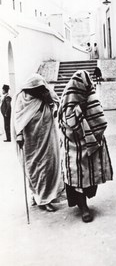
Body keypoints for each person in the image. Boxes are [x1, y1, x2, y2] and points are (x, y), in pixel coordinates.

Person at [58, 70, 113, 222]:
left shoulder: (90, 97)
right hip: (74, 146)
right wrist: (77, 122)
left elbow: (99, 120)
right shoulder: (67, 100)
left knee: (90, 176)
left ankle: (84, 202)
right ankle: (83, 207)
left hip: (90, 145)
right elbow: (64, 123)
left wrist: (93, 135)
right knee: (78, 177)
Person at [12, 73, 61, 212]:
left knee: (47, 167)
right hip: (31, 141)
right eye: (36, 87)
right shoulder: (22, 97)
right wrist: (19, 134)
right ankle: (39, 197)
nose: (39, 89)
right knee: (34, 169)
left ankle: (45, 198)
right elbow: (18, 117)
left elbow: (57, 105)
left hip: (47, 137)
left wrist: (50, 101)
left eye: (41, 86)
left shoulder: (45, 94)